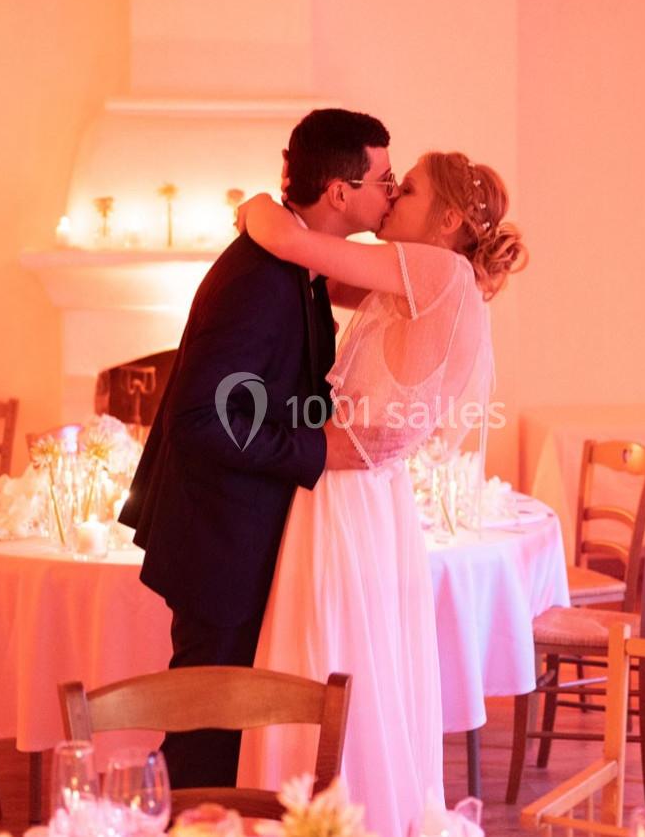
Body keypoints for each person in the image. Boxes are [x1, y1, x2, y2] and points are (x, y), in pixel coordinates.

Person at [235, 151, 528, 837]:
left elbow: (286, 242)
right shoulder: (420, 283)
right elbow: (315, 269)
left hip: (349, 494)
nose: (393, 193)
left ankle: (326, 816)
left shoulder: (439, 270)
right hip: (367, 495)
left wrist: (252, 204)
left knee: (327, 653)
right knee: (350, 657)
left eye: (411, 186)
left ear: (449, 218)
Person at [117, 108, 394, 790]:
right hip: (220, 538)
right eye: (383, 179)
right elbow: (198, 418)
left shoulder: (293, 261)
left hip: (238, 527)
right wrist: (316, 450)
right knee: (207, 723)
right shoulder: (258, 278)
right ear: (338, 191)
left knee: (223, 724)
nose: (389, 193)